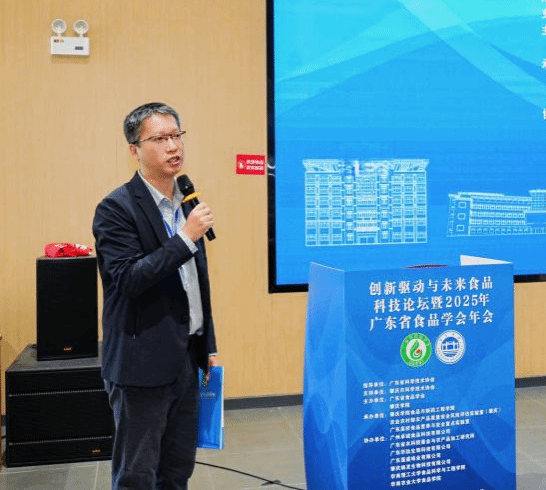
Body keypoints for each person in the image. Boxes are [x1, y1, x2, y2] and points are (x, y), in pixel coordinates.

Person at [92, 102, 218, 490]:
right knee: (137, 474)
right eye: (160, 139)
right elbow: (129, 279)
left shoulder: (186, 202)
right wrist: (185, 238)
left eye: (176, 135)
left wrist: (208, 345)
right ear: (134, 149)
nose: (173, 146)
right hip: (140, 363)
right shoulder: (116, 208)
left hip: (186, 358)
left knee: (177, 470)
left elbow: (195, 285)